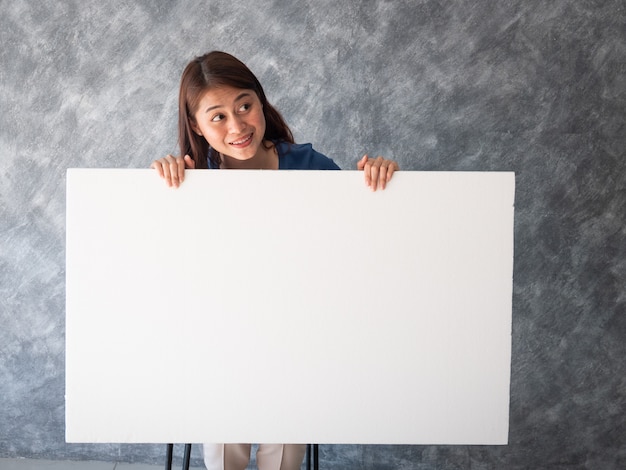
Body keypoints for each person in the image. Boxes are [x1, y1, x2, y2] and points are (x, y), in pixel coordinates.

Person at [151, 51, 399, 470]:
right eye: (218, 116)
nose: (237, 126)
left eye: (245, 106)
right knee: (223, 439)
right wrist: (163, 188)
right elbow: (162, 269)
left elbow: (363, 247)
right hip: (220, 345)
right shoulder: (191, 184)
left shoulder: (312, 169)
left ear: (260, 102)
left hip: (299, 342)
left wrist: (381, 180)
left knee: (284, 443)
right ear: (195, 124)